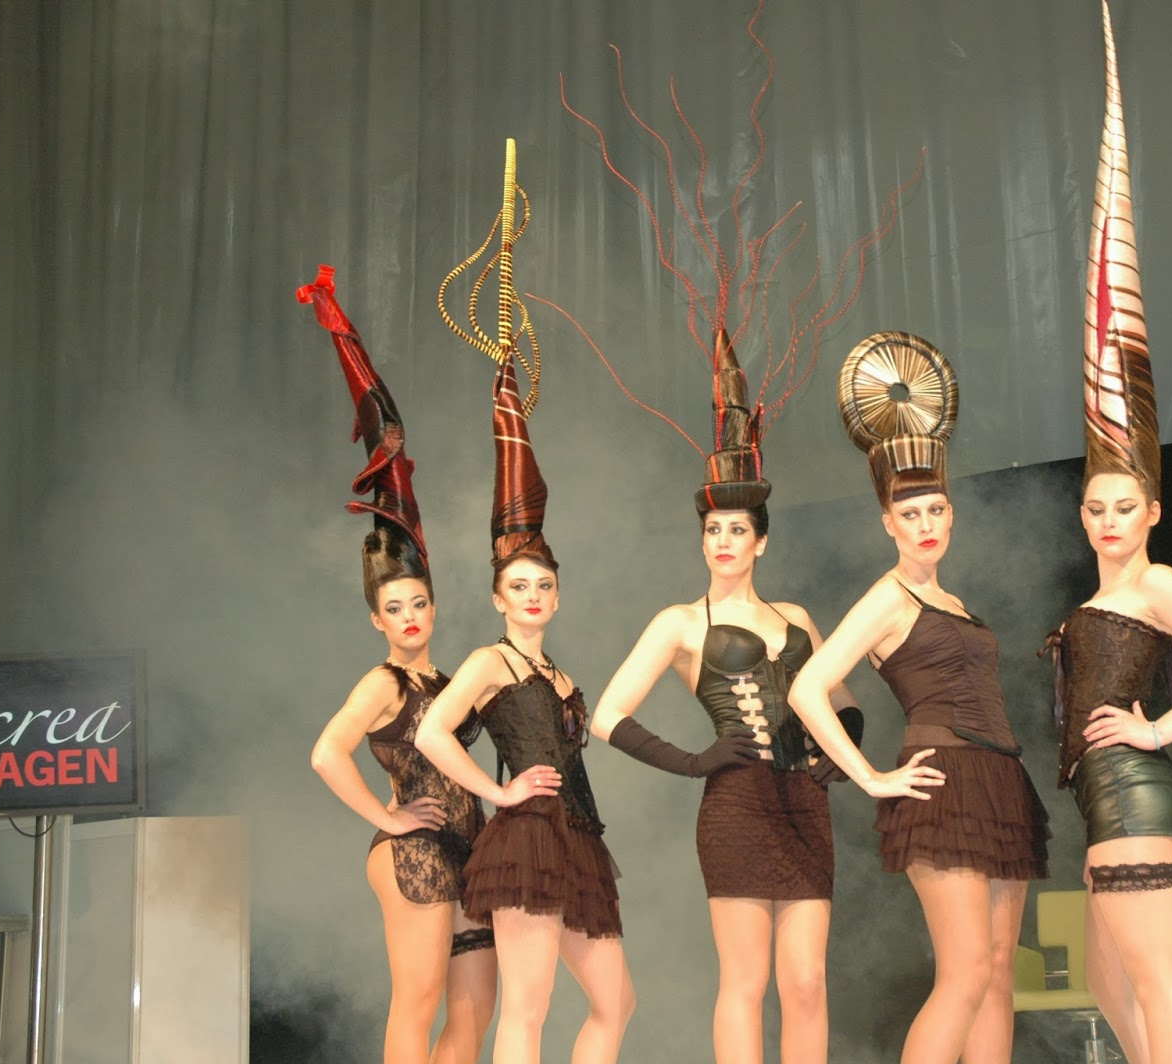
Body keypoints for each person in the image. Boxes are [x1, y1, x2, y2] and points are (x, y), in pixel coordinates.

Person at [1038, 10, 1172, 1063]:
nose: (1107, 518)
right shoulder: (1103, 593)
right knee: (1104, 979)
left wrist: (1158, 730)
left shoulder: (1160, 585)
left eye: (1124, 506)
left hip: (1136, 789)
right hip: (1104, 795)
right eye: (1095, 506)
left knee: (1162, 982)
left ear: (1153, 512)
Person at [589, 333, 865, 1064]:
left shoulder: (796, 617)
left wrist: (843, 752)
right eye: (713, 530)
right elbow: (606, 716)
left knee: (806, 982)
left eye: (737, 530)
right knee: (745, 981)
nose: (723, 541)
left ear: (760, 542)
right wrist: (694, 761)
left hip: (805, 804)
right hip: (736, 805)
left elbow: (843, 700)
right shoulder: (681, 622)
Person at [416, 143, 634, 1064]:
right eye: (521, 586)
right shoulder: (490, 661)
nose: (535, 595)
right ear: (498, 595)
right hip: (527, 838)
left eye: (545, 584)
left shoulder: (557, 668)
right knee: (528, 1012)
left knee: (616, 1003)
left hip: (576, 837)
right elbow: (435, 734)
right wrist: (498, 790)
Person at [788, 331, 1050, 1064]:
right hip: (943, 781)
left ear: (951, 512)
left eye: (936, 511)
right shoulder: (888, 597)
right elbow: (808, 687)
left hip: (999, 780)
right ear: (888, 523)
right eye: (911, 516)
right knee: (964, 975)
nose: (926, 526)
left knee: (998, 978)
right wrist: (871, 776)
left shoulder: (954, 601)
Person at [301, 264, 497, 1064]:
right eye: (395, 607)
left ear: (433, 607)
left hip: (470, 848)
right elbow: (326, 753)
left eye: (420, 602)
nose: (410, 615)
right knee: (416, 1003)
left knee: (474, 1014)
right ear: (375, 618)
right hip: (413, 850)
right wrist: (386, 820)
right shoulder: (382, 683)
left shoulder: (447, 683)